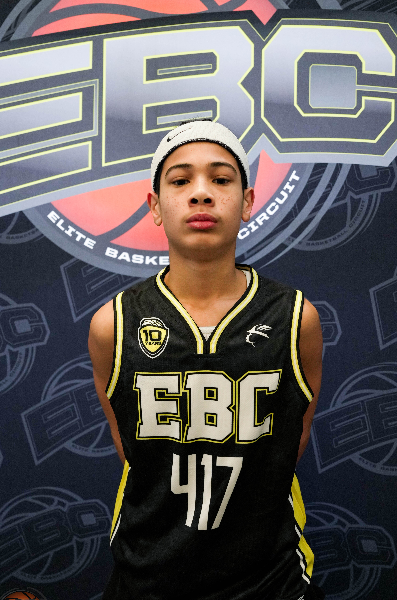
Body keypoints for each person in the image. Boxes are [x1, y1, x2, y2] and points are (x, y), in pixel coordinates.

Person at [89, 119, 324, 600]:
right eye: (180, 181)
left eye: (220, 179)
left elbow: (290, 445)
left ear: (248, 201)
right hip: (147, 579)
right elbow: (133, 453)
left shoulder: (295, 318)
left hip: (269, 581)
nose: (201, 193)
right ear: (155, 206)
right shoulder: (113, 324)